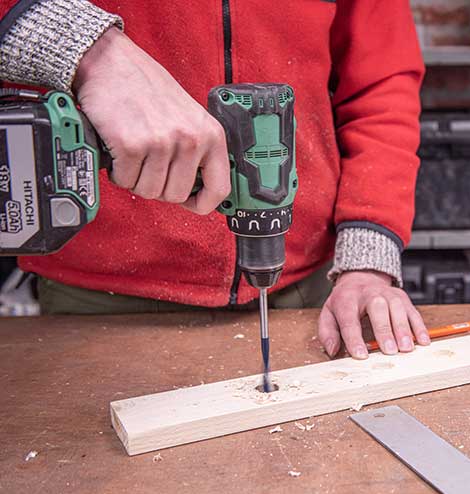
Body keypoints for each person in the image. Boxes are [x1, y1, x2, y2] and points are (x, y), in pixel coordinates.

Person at [0, 0, 430, 359]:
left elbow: (380, 83)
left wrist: (368, 258)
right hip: (100, 293)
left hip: (309, 282)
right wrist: (81, 45)